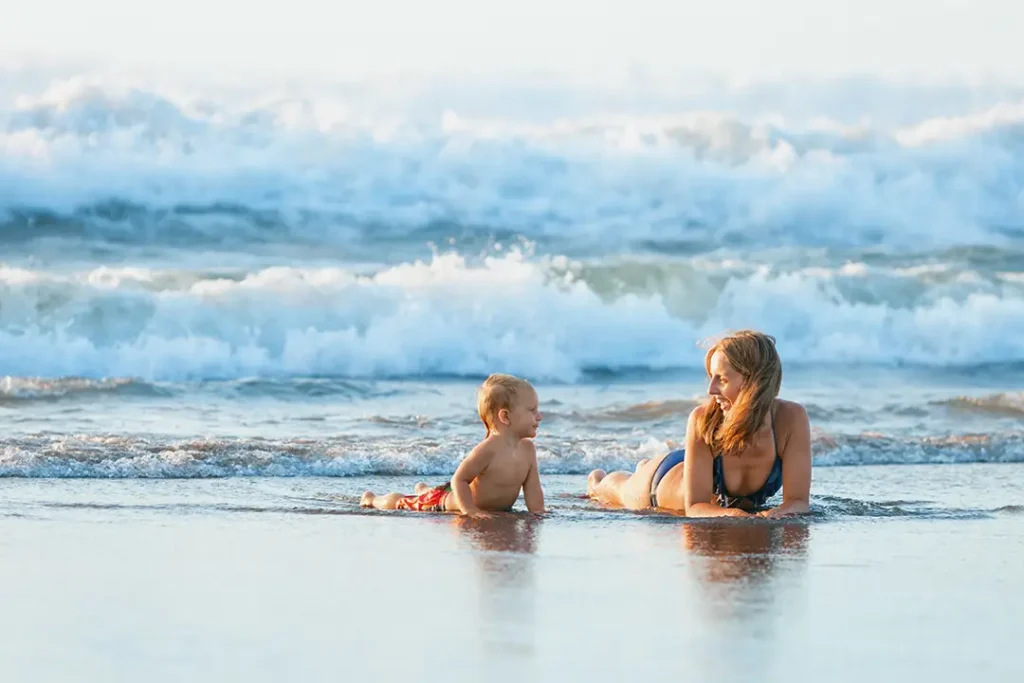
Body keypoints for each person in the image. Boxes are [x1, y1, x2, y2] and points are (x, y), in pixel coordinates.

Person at [586, 330, 811, 517]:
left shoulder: (790, 420)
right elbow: (695, 508)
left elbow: (798, 501)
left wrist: (775, 515)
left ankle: (643, 464)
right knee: (612, 488)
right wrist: (734, 515)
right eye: (711, 377)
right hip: (657, 486)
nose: (710, 390)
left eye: (721, 379)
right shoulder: (704, 419)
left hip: (691, 468)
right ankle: (600, 479)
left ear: (755, 382)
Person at [361, 373, 546, 517]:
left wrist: (538, 511)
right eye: (532, 410)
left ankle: (424, 488)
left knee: (435, 491)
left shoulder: (528, 450)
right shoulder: (488, 450)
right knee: (404, 502)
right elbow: (459, 479)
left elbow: (533, 489)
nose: (539, 416)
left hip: (463, 497)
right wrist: (469, 511)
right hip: (445, 503)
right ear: (505, 417)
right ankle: (373, 499)